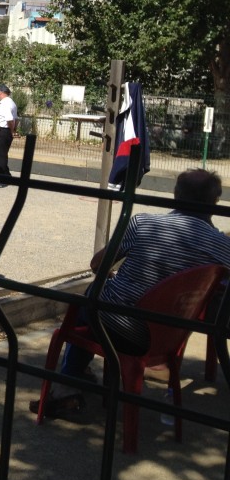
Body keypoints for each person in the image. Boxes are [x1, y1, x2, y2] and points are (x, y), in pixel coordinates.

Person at [36, 169, 230, 415]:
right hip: (170, 337)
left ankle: (68, 386)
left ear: (175, 195)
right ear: (215, 202)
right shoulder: (223, 247)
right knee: (95, 301)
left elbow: (97, 263)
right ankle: (78, 374)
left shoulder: (144, 223)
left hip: (123, 327)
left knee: (91, 295)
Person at [0, 84, 18, 179]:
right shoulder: (12, 103)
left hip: (2, 131)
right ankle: (6, 175)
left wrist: (11, 130)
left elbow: (9, 119)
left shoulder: (5, 103)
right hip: (5, 131)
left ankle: (3, 176)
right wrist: (14, 129)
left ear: (1, 93)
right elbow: (16, 119)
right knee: (3, 153)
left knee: (0, 155)